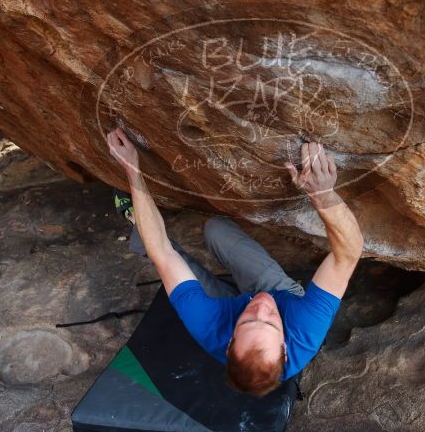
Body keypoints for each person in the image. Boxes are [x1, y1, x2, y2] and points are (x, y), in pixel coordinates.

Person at [106, 127, 364, 397]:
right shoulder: (303, 330)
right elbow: (347, 254)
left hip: (223, 311)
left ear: (228, 343)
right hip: (284, 296)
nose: (261, 306)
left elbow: (161, 251)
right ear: (285, 347)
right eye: (271, 323)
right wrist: (322, 194)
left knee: (160, 247)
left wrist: (132, 169)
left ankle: (137, 216)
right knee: (217, 229)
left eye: (248, 321)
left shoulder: (210, 326)